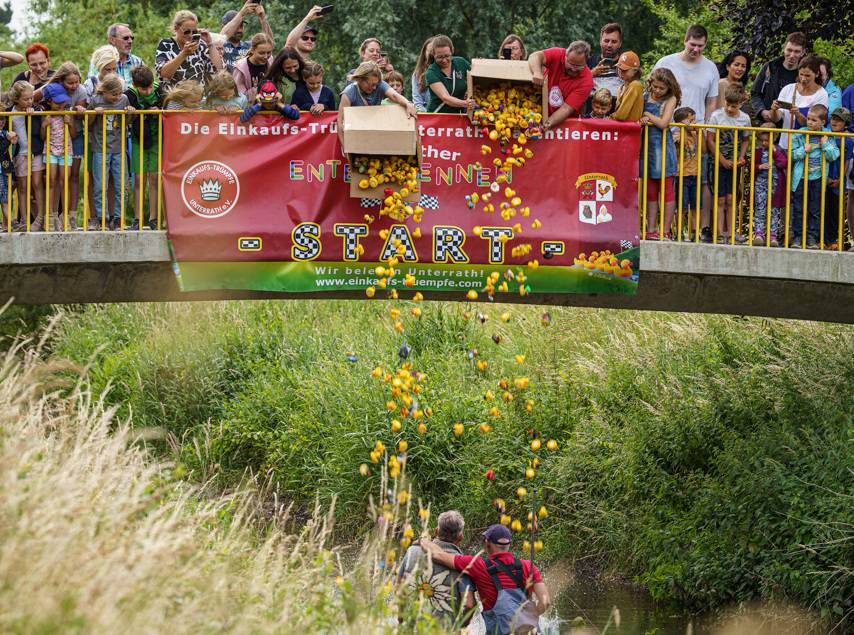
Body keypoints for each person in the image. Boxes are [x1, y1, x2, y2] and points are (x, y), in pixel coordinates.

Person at [653, 24, 721, 243]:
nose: (696, 50)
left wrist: (706, 127)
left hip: (698, 131)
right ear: (685, 40)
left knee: (701, 181)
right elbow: (653, 93)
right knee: (671, 181)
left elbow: (712, 102)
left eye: (700, 46)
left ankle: (702, 228)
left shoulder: (710, 68)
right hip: (668, 130)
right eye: (693, 45)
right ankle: (669, 228)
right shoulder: (667, 62)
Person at [420, 523, 551, 635]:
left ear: (488, 544)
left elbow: (438, 555)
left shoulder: (478, 565)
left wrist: (423, 540)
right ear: (509, 544)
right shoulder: (528, 566)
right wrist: (529, 617)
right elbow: (545, 602)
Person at [397, 510, 476, 628]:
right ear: (461, 537)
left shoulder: (412, 551)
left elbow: (400, 587)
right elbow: (469, 604)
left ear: (436, 531)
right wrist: (460, 627)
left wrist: (401, 617)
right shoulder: (461, 564)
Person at [88, 74, 135, 231]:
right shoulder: (96, 100)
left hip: (119, 148)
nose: (117, 97)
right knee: (100, 185)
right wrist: (94, 113)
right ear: (104, 92)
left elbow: (127, 123)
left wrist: (130, 114)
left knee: (122, 186)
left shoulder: (123, 100)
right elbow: (87, 124)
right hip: (100, 148)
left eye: (120, 93)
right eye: (114, 94)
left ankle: (118, 217)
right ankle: (103, 218)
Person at [788, 104, 839, 248]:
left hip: (817, 179)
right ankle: (798, 237)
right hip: (801, 178)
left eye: (813, 120)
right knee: (798, 208)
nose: (809, 122)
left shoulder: (827, 134)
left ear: (823, 122)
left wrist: (825, 145)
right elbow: (791, 154)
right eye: (809, 119)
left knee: (815, 210)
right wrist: (803, 151)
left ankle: (811, 238)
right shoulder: (800, 133)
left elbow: (834, 155)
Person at [706, 82, 751, 243]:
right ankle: (718, 233)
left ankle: (731, 233)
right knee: (720, 199)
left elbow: (746, 139)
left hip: (735, 164)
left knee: (732, 198)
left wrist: (741, 156)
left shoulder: (745, 119)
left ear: (741, 103)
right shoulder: (716, 116)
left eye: (734, 106)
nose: (730, 109)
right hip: (718, 162)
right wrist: (722, 160)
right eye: (728, 104)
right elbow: (710, 140)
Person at [44, 62, 88, 224]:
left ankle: (71, 215)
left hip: (74, 135)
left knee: (73, 176)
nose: (74, 86)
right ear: (61, 81)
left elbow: (81, 117)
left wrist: (80, 111)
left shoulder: (81, 91)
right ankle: (54, 215)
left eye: (76, 82)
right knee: (55, 179)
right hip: (55, 138)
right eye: (70, 83)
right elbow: (38, 98)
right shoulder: (54, 90)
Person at [641, 68, 680, 241]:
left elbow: (664, 123)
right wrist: (642, 119)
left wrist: (648, 115)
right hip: (646, 146)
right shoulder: (643, 96)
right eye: (654, 87)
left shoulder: (671, 99)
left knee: (666, 190)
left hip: (662, 147)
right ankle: (651, 229)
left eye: (661, 88)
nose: (656, 91)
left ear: (669, 88)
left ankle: (665, 230)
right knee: (650, 190)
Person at [337, 61, 416, 146]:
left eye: (376, 84)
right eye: (372, 84)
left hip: (376, 132)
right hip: (357, 134)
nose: (375, 87)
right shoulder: (348, 93)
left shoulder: (380, 84)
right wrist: (345, 146)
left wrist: (408, 104)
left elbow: (394, 95)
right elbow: (340, 122)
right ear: (360, 79)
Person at [529, 41, 594, 129]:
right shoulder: (557, 53)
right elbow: (535, 56)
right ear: (565, 57)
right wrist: (537, 72)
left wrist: (547, 123)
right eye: (571, 64)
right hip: (540, 114)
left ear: (586, 62)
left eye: (578, 66)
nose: (573, 69)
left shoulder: (587, 80)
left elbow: (566, 109)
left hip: (567, 126)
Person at [8, 81, 46, 231]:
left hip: (35, 152)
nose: (30, 101)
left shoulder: (36, 109)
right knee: (22, 187)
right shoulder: (11, 112)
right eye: (26, 99)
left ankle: (40, 217)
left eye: (31, 98)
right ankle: (24, 220)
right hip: (20, 154)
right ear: (16, 99)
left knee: (37, 183)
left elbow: (39, 131)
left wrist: (33, 114)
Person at [771, 55, 828, 150]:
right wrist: (774, 110)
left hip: (806, 147)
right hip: (785, 144)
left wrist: (798, 115)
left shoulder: (822, 94)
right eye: (801, 74)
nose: (803, 79)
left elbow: (816, 125)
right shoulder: (788, 89)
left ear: (817, 74)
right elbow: (776, 119)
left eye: (808, 75)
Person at [156, 10, 223, 90]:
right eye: (187, 31)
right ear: (176, 29)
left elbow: (219, 68)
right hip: (174, 98)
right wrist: (183, 54)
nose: (191, 35)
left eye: (194, 31)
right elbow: (164, 74)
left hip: (198, 98)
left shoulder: (200, 46)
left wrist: (210, 43)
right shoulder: (166, 44)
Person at [751, 32, 807, 126]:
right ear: (784, 49)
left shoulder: (806, 73)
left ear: (803, 52)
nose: (792, 55)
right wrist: (762, 111)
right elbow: (755, 93)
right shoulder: (770, 67)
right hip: (768, 123)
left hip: (792, 124)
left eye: (796, 51)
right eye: (789, 50)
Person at [40, 83, 76, 230]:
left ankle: (65, 216)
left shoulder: (67, 114)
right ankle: (51, 216)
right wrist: (44, 126)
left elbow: (73, 135)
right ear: (49, 101)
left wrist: (70, 124)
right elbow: (43, 137)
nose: (62, 105)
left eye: (63, 101)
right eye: (58, 102)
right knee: (51, 181)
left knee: (64, 182)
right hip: (50, 151)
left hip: (66, 151)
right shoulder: (46, 116)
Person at [751, 123, 787, 247]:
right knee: (760, 209)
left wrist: (774, 152)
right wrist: (759, 167)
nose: (764, 143)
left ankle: (772, 235)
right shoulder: (758, 151)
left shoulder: (779, 150)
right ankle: (759, 234)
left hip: (775, 185)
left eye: (767, 140)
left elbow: (783, 163)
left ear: (775, 138)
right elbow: (752, 166)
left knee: (773, 210)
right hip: (761, 184)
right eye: (762, 140)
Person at [425, 35, 475, 114]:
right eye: (440, 57)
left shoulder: (460, 62)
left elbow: (475, 78)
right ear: (433, 55)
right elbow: (445, 98)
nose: (444, 60)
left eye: (447, 56)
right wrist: (466, 103)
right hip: (438, 117)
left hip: (459, 115)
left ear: (452, 51)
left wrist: (469, 90)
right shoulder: (431, 72)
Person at [824, 107, 852, 249]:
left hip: (838, 180)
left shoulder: (847, 139)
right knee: (823, 209)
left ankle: (833, 240)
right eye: (833, 118)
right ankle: (822, 239)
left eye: (839, 120)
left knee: (835, 210)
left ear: (846, 124)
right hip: (824, 178)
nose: (834, 121)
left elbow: (847, 161)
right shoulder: (826, 135)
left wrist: (841, 178)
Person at [220, 2, 274, 72]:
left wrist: (262, 18)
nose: (239, 30)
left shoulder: (250, 47)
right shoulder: (219, 47)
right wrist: (241, 13)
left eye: (241, 25)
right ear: (223, 27)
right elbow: (219, 39)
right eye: (236, 26)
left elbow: (269, 44)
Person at [672, 107, 699, 241]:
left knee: (695, 206)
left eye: (694, 120)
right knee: (682, 207)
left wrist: (696, 136)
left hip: (695, 174)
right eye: (690, 121)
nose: (693, 123)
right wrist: (683, 129)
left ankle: (694, 232)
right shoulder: (677, 134)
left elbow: (703, 150)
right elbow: (680, 144)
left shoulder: (696, 135)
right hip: (681, 175)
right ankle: (679, 231)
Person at [587, 23, 623, 111]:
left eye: (614, 41)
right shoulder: (589, 62)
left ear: (620, 44)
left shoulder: (626, 63)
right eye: (606, 41)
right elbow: (575, 84)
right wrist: (591, 74)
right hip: (591, 116)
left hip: (617, 117)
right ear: (600, 41)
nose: (609, 45)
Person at [232, 33, 274, 100]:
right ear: (252, 50)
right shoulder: (240, 68)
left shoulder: (270, 61)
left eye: (269, 52)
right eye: (261, 53)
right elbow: (239, 95)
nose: (266, 57)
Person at [611, 51, 643, 122]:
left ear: (635, 70)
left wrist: (609, 118)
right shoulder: (621, 87)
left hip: (631, 130)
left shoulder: (635, 85)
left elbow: (621, 115)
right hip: (622, 129)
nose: (621, 72)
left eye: (624, 70)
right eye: (619, 68)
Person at [411, 37, 434, 112]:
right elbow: (418, 103)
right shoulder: (418, 74)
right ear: (424, 53)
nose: (432, 54)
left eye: (434, 51)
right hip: (428, 115)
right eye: (430, 51)